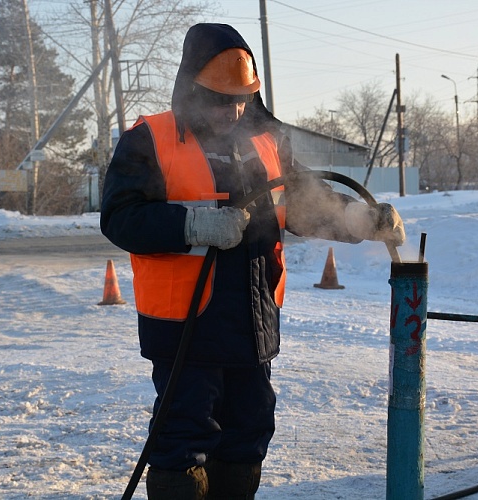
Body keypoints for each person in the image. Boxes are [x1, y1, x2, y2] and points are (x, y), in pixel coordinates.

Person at [101, 23, 405, 500]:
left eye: (242, 98)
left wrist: (360, 220)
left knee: (249, 433)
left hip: (252, 320)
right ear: (192, 89)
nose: (233, 109)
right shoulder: (150, 140)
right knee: (182, 439)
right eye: (221, 98)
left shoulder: (266, 141)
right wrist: (193, 226)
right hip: (185, 327)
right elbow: (120, 218)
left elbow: (306, 203)